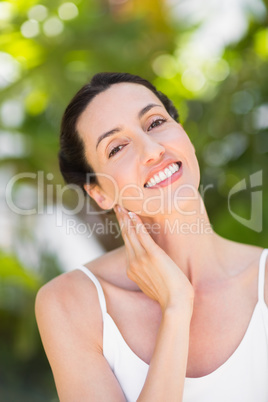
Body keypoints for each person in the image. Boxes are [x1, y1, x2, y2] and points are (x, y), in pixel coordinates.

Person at [35, 72, 268, 402]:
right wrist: (175, 308)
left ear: (182, 132)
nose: (152, 150)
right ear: (100, 193)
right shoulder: (71, 304)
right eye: (117, 147)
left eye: (155, 122)